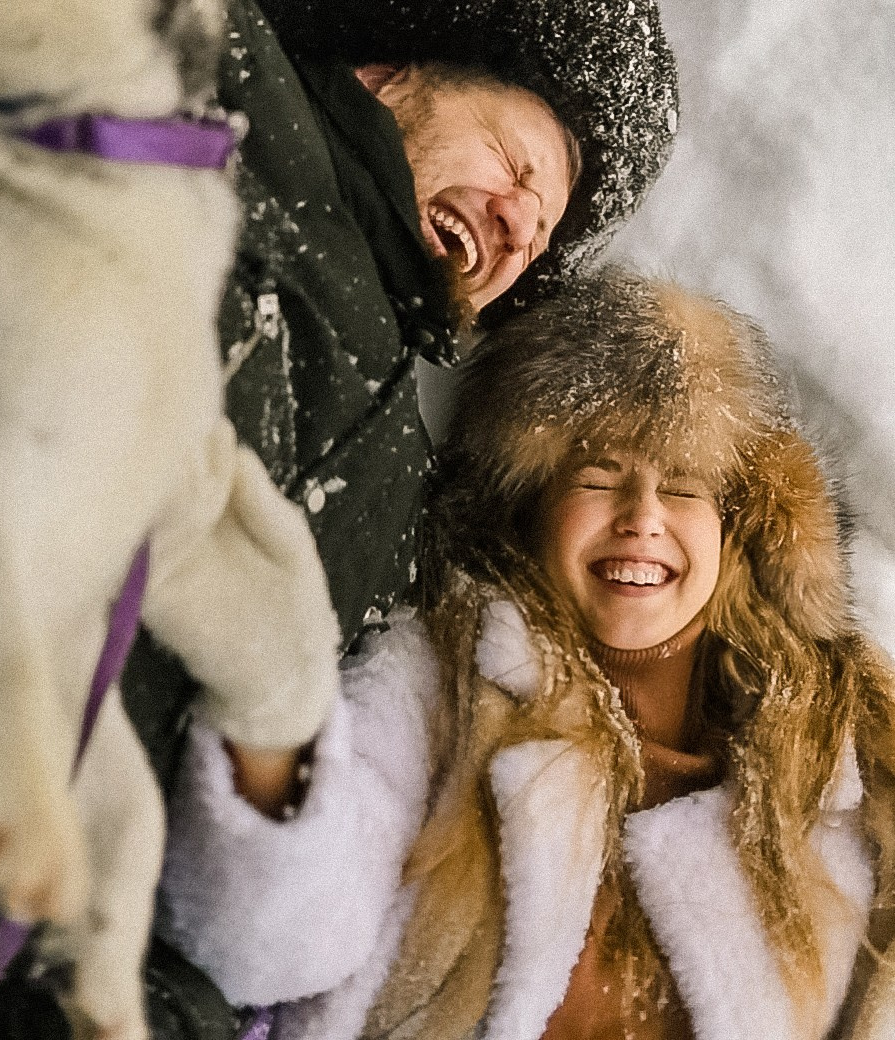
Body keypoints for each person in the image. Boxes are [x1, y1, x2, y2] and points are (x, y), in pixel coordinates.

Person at [0, 0, 678, 1039]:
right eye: (519, 164)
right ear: (389, 74)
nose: (518, 223)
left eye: (540, 232)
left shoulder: (400, 510)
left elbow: (250, 870)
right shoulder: (202, 78)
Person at [161, 270, 895, 1040]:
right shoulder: (448, 679)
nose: (642, 518)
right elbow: (267, 938)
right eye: (600, 477)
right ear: (535, 507)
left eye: (682, 488)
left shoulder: (841, 744)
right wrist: (268, 703)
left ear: (735, 529)